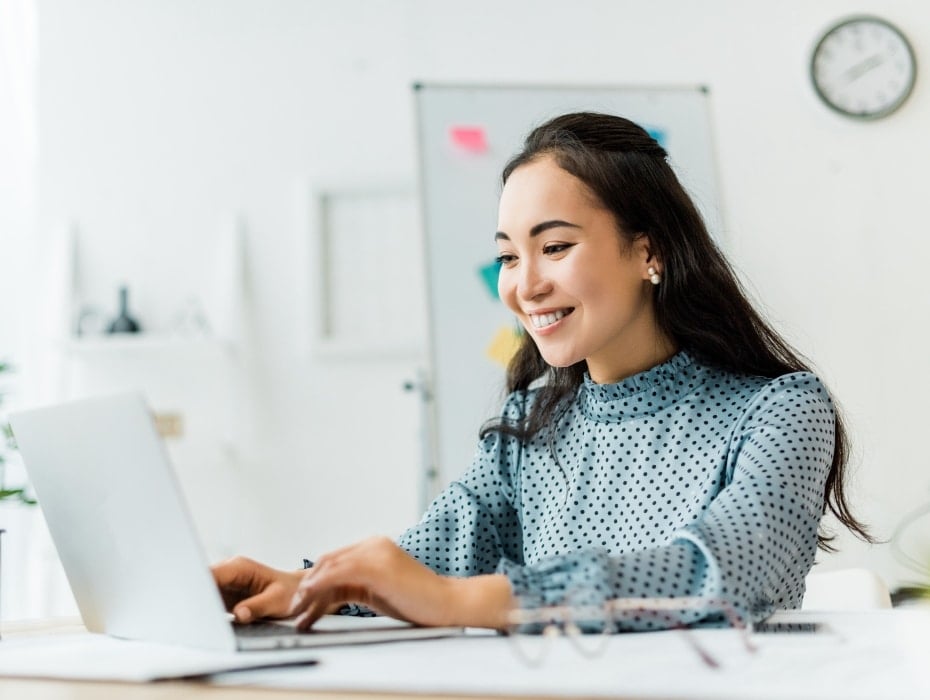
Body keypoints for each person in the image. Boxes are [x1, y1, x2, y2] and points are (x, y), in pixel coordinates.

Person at [212, 112, 870, 632]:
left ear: (649, 250)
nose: (524, 284)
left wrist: (459, 600)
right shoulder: (529, 424)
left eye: (554, 247)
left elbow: (722, 573)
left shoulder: (782, 409)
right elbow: (426, 559)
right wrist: (300, 584)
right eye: (507, 257)